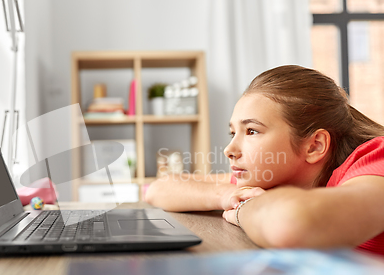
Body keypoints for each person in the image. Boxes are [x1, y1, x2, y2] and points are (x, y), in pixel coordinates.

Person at [145, 65, 384, 256]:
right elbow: (159, 189)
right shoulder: (278, 179)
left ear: (314, 145)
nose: (229, 149)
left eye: (251, 131)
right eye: (232, 133)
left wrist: (241, 209)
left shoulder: (375, 160)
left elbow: (291, 223)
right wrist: (226, 195)